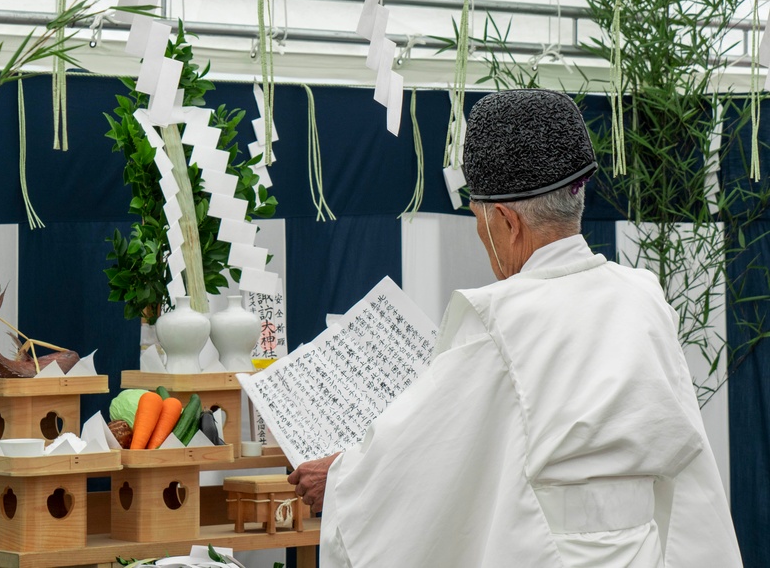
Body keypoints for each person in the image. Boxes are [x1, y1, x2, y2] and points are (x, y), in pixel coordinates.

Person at [288, 89, 742, 568]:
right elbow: (686, 463)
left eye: (478, 220)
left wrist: (342, 481)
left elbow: (425, 463)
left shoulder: (502, 317)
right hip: (643, 551)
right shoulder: (644, 296)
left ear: (505, 220)